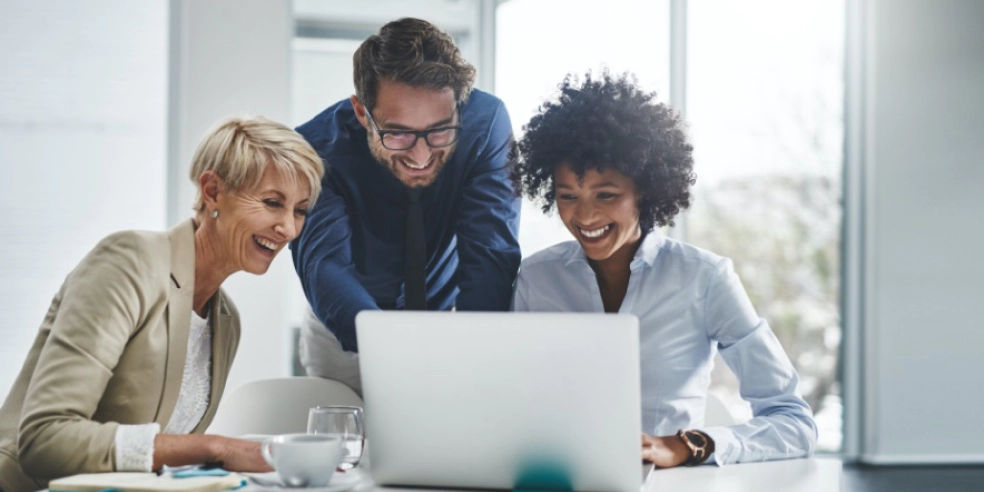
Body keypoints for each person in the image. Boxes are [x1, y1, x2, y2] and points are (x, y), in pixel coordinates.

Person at [0, 116, 324, 491]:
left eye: (299, 210)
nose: (289, 229)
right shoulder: (129, 262)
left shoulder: (225, 320)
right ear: (212, 190)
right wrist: (214, 447)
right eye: (272, 203)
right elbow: (45, 439)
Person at [511, 72, 817, 467]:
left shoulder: (704, 279)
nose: (584, 215)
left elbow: (794, 422)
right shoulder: (537, 279)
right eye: (568, 196)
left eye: (606, 194)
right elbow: (513, 401)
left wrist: (685, 445)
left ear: (645, 190)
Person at [292, 18, 521, 388]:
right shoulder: (314, 149)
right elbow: (325, 266)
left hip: (450, 320)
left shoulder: (486, 124)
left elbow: (490, 254)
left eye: (439, 130)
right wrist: (398, 353)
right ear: (361, 112)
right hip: (346, 336)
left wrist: (476, 353)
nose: (420, 155)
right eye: (397, 133)